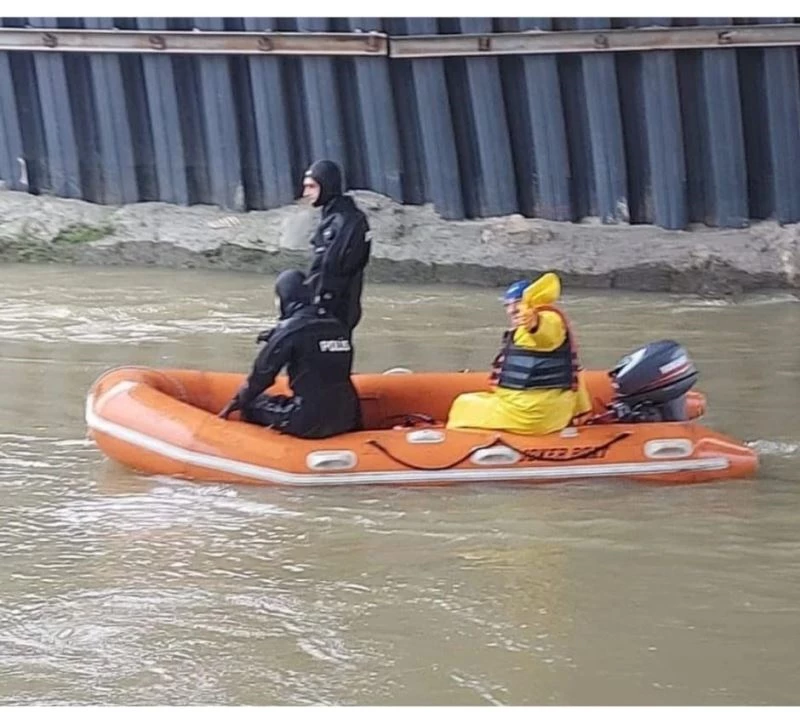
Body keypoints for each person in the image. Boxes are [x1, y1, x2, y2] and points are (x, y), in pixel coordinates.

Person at [218, 269, 361, 439]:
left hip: (308, 421)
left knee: (253, 403)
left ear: (283, 298)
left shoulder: (288, 332)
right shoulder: (337, 326)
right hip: (349, 416)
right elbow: (314, 338)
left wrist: (237, 401)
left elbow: (262, 376)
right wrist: (275, 335)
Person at [446, 272, 592, 436]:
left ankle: (459, 445)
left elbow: (546, 335)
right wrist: (581, 410)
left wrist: (535, 324)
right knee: (477, 400)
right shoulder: (531, 327)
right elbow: (574, 376)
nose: (511, 310)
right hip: (548, 410)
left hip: (530, 415)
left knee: (463, 405)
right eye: (507, 305)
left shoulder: (547, 320)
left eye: (517, 303)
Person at [301, 159, 371, 333]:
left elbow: (331, 270)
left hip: (334, 311)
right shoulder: (337, 218)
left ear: (326, 186)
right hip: (335, 310)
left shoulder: (345, 221)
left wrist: (317, 309)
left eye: (312, 187)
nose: (305, 193)